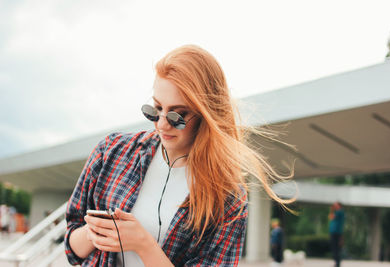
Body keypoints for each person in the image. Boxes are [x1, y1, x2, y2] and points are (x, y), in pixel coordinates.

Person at [64, 45, 293, 267]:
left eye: (177, 115)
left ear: (206, 114)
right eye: (155, 109)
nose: (162, 124)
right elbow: (72, 250)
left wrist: (143, 244)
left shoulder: (227, 198)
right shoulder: (112, 150)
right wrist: (96, 231)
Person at [329, 202, 345, 267]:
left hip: (337, 233)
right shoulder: (338, 212)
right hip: (335, 233)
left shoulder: (340, 212)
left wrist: (332, 209)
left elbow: (331, 217)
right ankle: (336, 263)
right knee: (335, 249)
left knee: (336, 249)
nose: (334, 206)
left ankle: (337, 264)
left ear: (339, 206)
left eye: (336, 205)